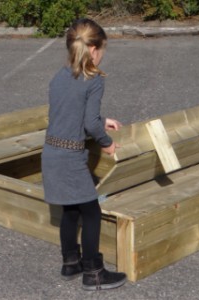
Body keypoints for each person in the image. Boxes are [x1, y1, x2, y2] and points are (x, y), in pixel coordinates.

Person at [41, 18, 127, 291]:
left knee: (70, 209)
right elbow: (87, 123)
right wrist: (106, 142)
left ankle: (70, 263)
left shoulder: (60, 76)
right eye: (102, 50)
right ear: (93, 50)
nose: (102, 56)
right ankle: (94, 272)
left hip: (52, 153)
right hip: (71, 157)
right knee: (91, 211)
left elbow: (69, 110)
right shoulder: (94, 80)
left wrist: (102, 119)